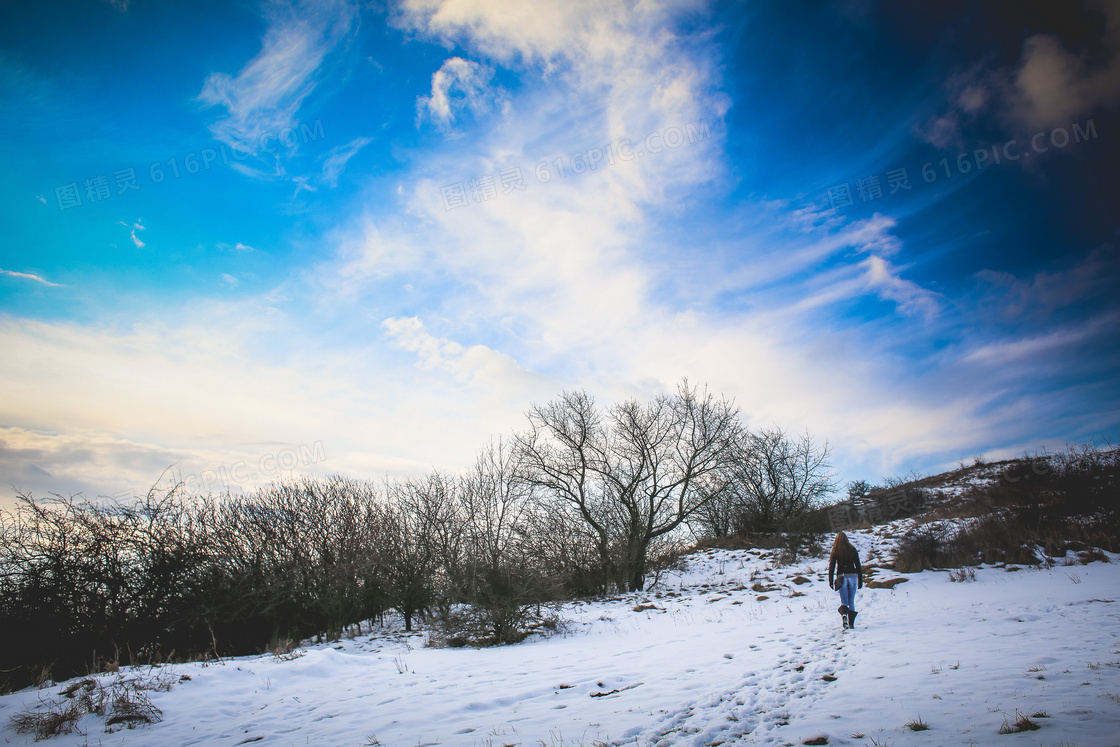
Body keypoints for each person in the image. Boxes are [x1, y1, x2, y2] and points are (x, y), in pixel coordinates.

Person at [828, 531, 863, 629]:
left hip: (842, 577)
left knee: (844, 601)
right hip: (853, 576)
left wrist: (830, 580)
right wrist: (860, 580)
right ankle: (851, 623)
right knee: (851, 600)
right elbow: (858, 565)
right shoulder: (852, 549)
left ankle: (844, 616)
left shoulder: (835, 551)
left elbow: (832, 566)